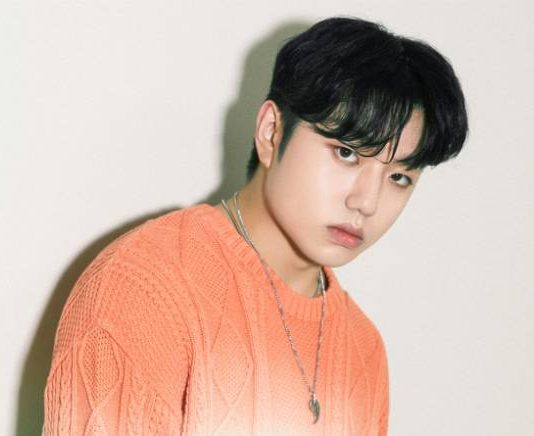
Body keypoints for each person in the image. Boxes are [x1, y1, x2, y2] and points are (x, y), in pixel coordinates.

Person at [43, 16, 468, 435]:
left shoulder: (363, 349)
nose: (366, 202)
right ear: (270, 132)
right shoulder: (146, 287)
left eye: (399, 177)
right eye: (346, 153)